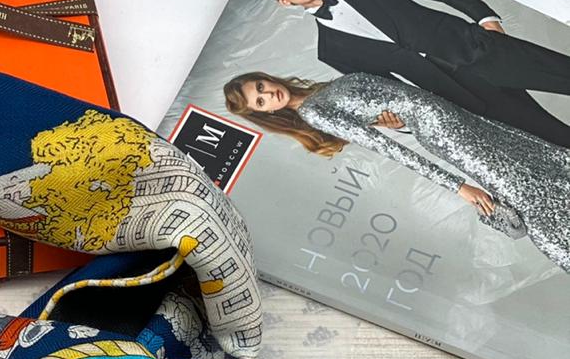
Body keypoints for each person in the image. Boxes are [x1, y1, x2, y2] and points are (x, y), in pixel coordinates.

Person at [223, 70, 570, 272]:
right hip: (450, 137)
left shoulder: (321, 91)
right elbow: (389, 150)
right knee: (529, 195)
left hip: (465, 120)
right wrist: (459, 186)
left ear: (265, 78)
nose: (269, 94)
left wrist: (398, 120)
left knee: (543, 165)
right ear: (266, 113)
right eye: (261, 101)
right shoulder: (314, 113)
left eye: (261, 87)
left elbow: (397, 103)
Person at [254, 0, 570, 149]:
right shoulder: (330, 51)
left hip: (481, 48)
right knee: (553, 137)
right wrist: (402, 123)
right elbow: (388, 89)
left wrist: (485, 18)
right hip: (462, 94)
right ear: (284, 2)